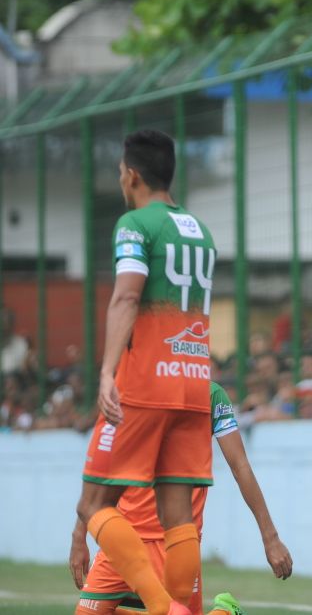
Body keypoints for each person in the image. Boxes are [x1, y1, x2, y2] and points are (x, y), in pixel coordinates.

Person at [75, 129, 219, 615]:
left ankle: (161, 607)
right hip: (194, 382)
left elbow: (128, 295)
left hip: (146, 382)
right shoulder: (201, 230)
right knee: (177, 514)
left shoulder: (135, 223)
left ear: (131, 174)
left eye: (120, 172)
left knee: (94, 505)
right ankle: (180, 606)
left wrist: (106, 373)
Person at [70, 381, 292, 614]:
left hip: (175, 542)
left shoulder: (211, 395)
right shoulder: (128, 389)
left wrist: (271, 538)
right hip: (122, 538)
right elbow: (102, 469)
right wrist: (79, 536)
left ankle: (225, 612)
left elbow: (240, 466)